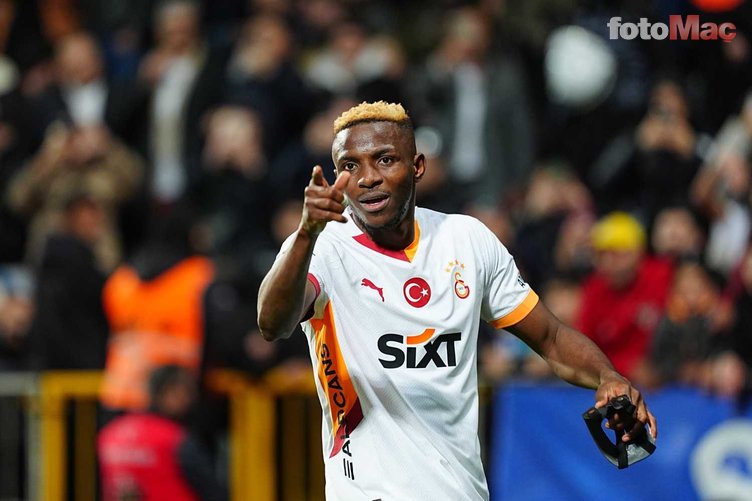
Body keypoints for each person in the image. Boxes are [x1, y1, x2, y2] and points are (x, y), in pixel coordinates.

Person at [257, 101, 658, 500]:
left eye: (385, 160)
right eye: (350, 166)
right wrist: (306, 234)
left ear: (417, 166)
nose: (367, 178)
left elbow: (551, 338)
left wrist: (608, 376)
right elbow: (272, 323)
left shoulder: (466, 240)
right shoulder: (322, 247)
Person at [98, 364, 227, 501]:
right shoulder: (175, 439)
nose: (191, 399)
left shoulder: (110, 434)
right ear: (170, 392)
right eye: (187, 391)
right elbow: (212, 491)